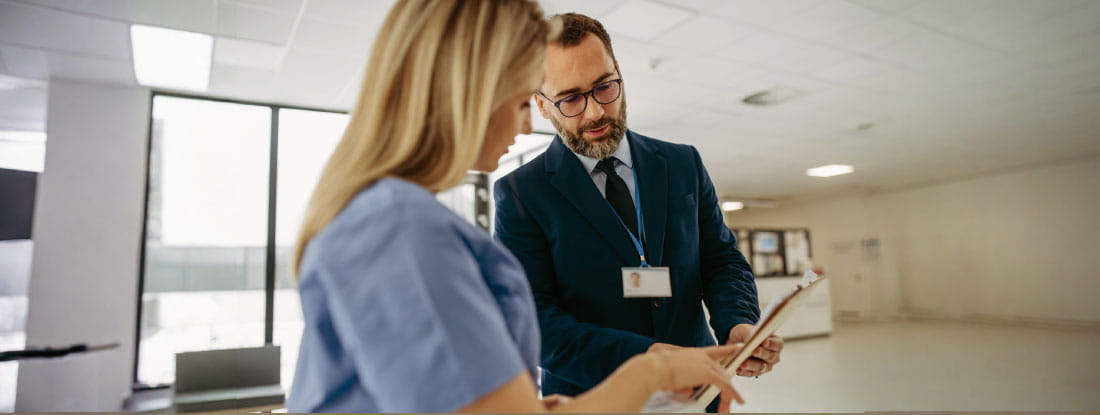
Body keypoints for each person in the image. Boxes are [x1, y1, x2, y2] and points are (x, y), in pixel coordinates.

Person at [286, 0, 745, 412]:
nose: (526, 126)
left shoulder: (391, 216)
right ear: (472, 91)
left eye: (603, 87)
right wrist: (653, 370)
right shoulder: (400, 229)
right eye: (525, 98)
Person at [493, 12, 784, 405]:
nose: (594, 112)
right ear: (542, 106)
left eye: (604, 87)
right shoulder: (520, 193)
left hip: (699, 388)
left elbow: (721, 259)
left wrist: (738, 322)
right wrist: (647, 360)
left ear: (620, 76)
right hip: (595, 398)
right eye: (571, 99)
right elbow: (534, 321)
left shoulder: (683, 164)